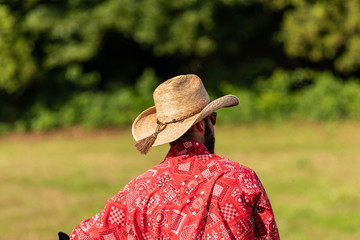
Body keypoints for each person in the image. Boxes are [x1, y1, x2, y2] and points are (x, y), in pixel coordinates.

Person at [68, 74, 280, 240]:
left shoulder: (137, 192)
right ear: (200, 124)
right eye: (212, 118)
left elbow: (83, 236)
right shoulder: (241, 178)